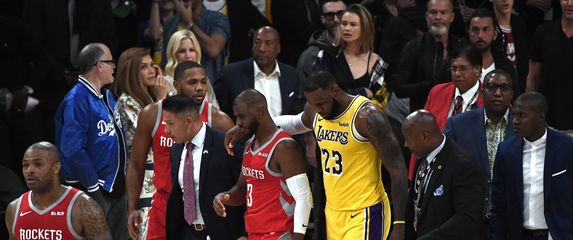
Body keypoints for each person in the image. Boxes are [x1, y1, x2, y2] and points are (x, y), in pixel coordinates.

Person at [229, 71, 408, 239]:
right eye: (312, 104)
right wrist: (243, 128)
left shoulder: (366, 117)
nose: (317, 109)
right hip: (333, 212)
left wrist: (399, 224)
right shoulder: (315, 110)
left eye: (321, 103)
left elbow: (397, 169)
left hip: (366, 211)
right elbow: (293, 123)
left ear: (335, 91)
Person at [125, 61, 233, 240]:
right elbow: (136, 164)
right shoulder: (152, 114)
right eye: (192, 82)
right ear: (176, 85)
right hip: (163, 207)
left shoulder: (219, 121)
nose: (199, 88)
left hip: (203, 210)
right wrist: (132, 208)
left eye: (203, 82)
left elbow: (235, 174)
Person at [213, 89, 312, 239]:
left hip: (280, 234)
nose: (238, 123)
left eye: (241, 117)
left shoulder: (284, 147)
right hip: (254, 233)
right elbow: (241, 190)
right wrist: (225, 197)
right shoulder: (249, 144)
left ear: (260, 113)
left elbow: (304, 197)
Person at [54, 43, 128, 240]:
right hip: (94, 189)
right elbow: (72, 150)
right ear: (99, 65)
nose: (114, 66)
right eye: (110, 61)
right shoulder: (76, 99)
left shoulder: (107, 95)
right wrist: (93, 185)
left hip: (116, 185)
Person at [491, 92, 573, 239]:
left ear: (540, 117)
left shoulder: (567, 147)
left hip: (556, 234)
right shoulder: (506, 151)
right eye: (514, 115)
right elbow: (499, 204)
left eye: (522, 116)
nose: (515, 121)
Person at [161, 95, 244, 239]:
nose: (166, 130)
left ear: (188, 121)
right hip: (188, 233)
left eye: (170, 123)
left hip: (224, 233)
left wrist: (245, 234)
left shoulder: (225, 145)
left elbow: (246, 190)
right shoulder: (176, 149)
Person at [444, 69, 515, 226]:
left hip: (512, 220)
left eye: (504, 88)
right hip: (469, 219)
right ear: (482, 92)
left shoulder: (524, 126)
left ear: (511, 94)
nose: (497, 93)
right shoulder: (458, 125)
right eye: (491, 87)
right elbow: (444, 171)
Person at [111, 47, 167, 239]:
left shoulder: (146, 101)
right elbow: (156, 139)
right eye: (144, 67)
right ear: (131, 73)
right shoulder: (126, 103)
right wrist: (161, 100)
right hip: (144, 181)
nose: (152, 70)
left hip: (159, 178)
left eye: (152, 65)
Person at [402, 110, 485, 239]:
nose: (405, 144)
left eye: (408, 139)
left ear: (424, 136)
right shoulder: (422, 156)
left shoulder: (463, 165)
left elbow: (467, 219)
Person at [5, 142, 112, 239]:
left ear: (56, 168)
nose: (29, 171)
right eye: (25, 165)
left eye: (38, 164)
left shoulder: (84, 208)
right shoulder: (14, 209)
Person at [392, 0, 466, 112]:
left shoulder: (462, 46)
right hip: (422, 118)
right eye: (433, 12)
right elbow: (399, 89)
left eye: (443, 13)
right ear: (427, 16)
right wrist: (432, 86)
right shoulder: (413, 47)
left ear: (452, 17)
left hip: (456, 116)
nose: (438, 17)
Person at [215, 26, 303, 118]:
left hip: (283, 131)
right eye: (257, 43)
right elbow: (219, 114)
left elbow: (296, 112)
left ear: (278, 48)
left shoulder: (291, 75)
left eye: (268, 43)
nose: (261, 49)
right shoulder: (230, 74)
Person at [315, 4, 388, 99]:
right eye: (344, 24)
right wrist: (361, 92)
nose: (347, 28)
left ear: (365, 28)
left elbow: (379, 100)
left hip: (364, 113)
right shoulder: (326, 54)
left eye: (353, 24)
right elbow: (320, 94)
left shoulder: (377, 62)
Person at [526, 0, 573, 132]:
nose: (569, 4)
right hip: (547, 122)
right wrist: (527, 112)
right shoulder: (543, 32)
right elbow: (533, 77)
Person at [162, 0, 230, 81]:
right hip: (175, 87)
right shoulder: (170, 23)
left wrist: (189, 24)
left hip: (210, 87)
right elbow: (166, 60)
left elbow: (213, 49)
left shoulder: (217, 19)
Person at [424, 45, 484, 130]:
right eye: (454, 69)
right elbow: (424, 127)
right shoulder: (437, 92)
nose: (457, 74)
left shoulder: (488, 98)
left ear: (477, 70)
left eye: (462, 69)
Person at [164, 29, 219, 107]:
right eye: (182, 51)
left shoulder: (204, 80)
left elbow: (215, 110)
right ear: (173, 54)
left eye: (192, 50)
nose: (188, 56)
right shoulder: (165, 83)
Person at [297, 0, 346, 84]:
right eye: (330, 15)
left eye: (340, 14)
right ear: (323, 19)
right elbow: (307, 94)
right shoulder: (310, 56)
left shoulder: (361, 48)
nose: (336, 20)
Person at [468, 9, 517, 85]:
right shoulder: (456, 64)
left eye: (486, 30)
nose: (480, 35)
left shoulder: (507, 67)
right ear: (469, 33)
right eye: (475, 30)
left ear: (495, 34)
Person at [490, 0, 529, 95]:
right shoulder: (486, 27)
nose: (505, 0)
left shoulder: (520, 24)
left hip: (518, 90)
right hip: (494, 90)